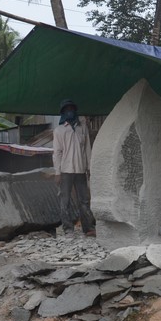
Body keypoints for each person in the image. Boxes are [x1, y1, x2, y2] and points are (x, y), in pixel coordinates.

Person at [53, 99, 96, 238]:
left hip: (80, 170)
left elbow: (87, 149)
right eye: (67, 109)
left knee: (84, 200)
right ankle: (68, 230)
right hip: (65, 170)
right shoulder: (59, 130)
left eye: (72, 109)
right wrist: (57, 172)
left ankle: (88, 228)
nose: (70, 111)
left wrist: (89, 167)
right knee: (64, 201)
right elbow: (57, 152)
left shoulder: (82, 128)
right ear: (63, 112)